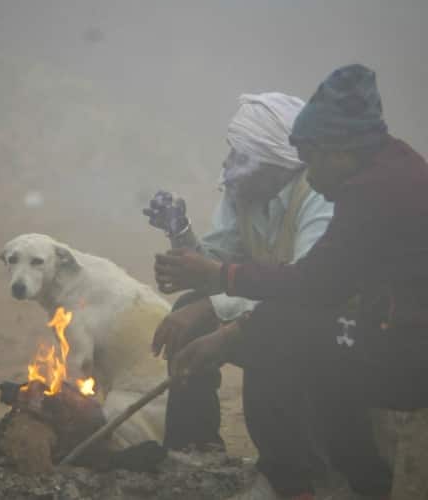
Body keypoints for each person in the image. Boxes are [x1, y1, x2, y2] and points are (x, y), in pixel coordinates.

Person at [155, 64, 428, 499]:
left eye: (311, 161)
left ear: (336, 153)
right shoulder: (379, 169)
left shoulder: (362, 192)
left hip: (405, 350)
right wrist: (188, 244)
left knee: (274, 332)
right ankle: (194, 451)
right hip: (377, 329)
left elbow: (316, 286)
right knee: (242, 320)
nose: (310, 174)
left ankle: (294, 483)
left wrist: (227, 313)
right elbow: (237, 267)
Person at [148, 93, 334, 451]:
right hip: (271, 307)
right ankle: (193, 450)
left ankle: (290, 467)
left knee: (261, 337)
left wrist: (211, 309)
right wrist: (180, 232)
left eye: (240, 155)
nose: (228, 163)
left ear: (275, 163)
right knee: (188, 310)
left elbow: (307, 290)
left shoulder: (318, 197)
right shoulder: (245, 191)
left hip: (320, 324)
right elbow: (215, 266)